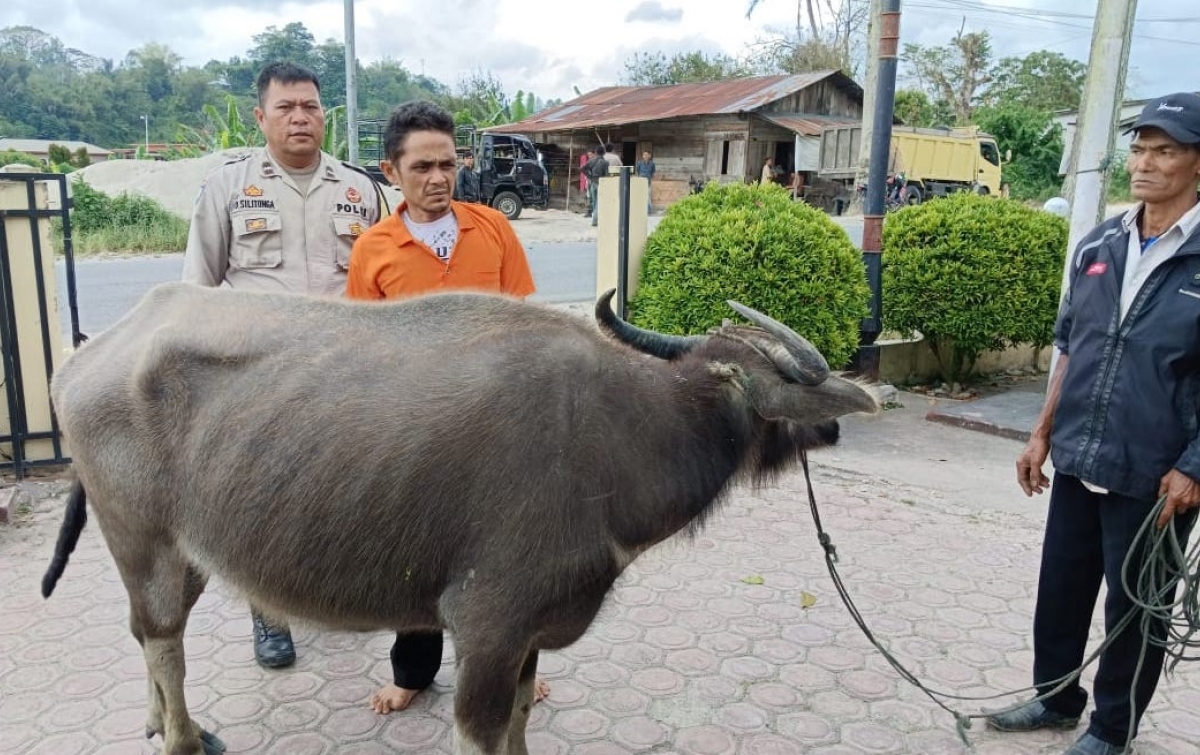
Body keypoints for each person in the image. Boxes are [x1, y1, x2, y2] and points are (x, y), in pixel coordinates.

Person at [987, 92, 1200, 755]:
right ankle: (1056, 697)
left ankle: (1112, 729)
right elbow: (1072, 345)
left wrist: (1195, 465)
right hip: (1080, 450)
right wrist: (1042, 432)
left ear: (1196, 163)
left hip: (1157, 467)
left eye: (1164, 151)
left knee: (1136, 608)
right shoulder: (1100, 243)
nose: (1145, 163)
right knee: (1061, 588)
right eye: (1139, 148)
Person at [343, 100, 550, 712]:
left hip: (499, 430)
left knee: (513, 561)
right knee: (419, 561)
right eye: (422, 167)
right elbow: (362, 349)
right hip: (417, 438)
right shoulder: (372, 249)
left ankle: (514, 670)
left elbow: (528, 327)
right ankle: (412, 673)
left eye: (448, 164)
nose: (438, 178)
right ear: (391, 172)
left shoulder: (493, 229)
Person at [182, 61, 382, 669]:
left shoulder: (358, 188)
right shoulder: (229, 187)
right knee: (260, 502)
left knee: (344, 494)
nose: (301, 117)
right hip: (257, 379)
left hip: (346, 377)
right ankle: (268, 614)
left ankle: (329, 593)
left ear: (325, 115)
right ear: (260, 116)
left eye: (311, 107)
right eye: (287, 107)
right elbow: (196, 290)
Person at [586, 145, 610, 227]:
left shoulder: (591, 161)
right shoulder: (605, 162)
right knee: (599, 203)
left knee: (594, 202)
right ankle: (595, 220)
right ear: (604, 153)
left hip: (593, 183)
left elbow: (582, 168)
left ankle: (595, 219)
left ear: (596, 152)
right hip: (601, 183)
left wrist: (590, 176)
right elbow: (607, 175)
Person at [635, 149, 656, 213]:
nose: (645, 156)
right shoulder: (639, 163)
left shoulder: (652, 164)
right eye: (644, 155)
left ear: (649, 156)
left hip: (648, 182)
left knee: (648, 196)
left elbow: (653, 172)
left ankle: (649, 211)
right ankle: (640, 210)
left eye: (647, 155)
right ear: (642, 156)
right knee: (640, 196)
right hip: (641, 182)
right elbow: (637, 171)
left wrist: (649, 177)